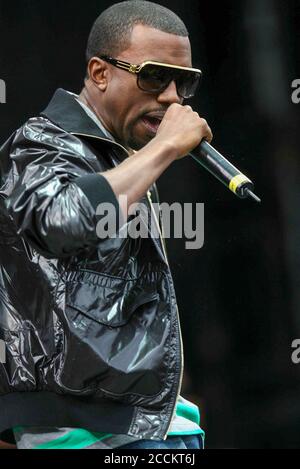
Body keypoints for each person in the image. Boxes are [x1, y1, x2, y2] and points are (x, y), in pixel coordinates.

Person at [0, 1, 212, 449]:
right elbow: (62, 220)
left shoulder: (119, 157)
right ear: (100, 73)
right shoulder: (43, 141)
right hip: (89, 433)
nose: (173, 96)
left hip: (151, 425)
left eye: (184, 82)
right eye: (155, 76)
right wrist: (165, 149)